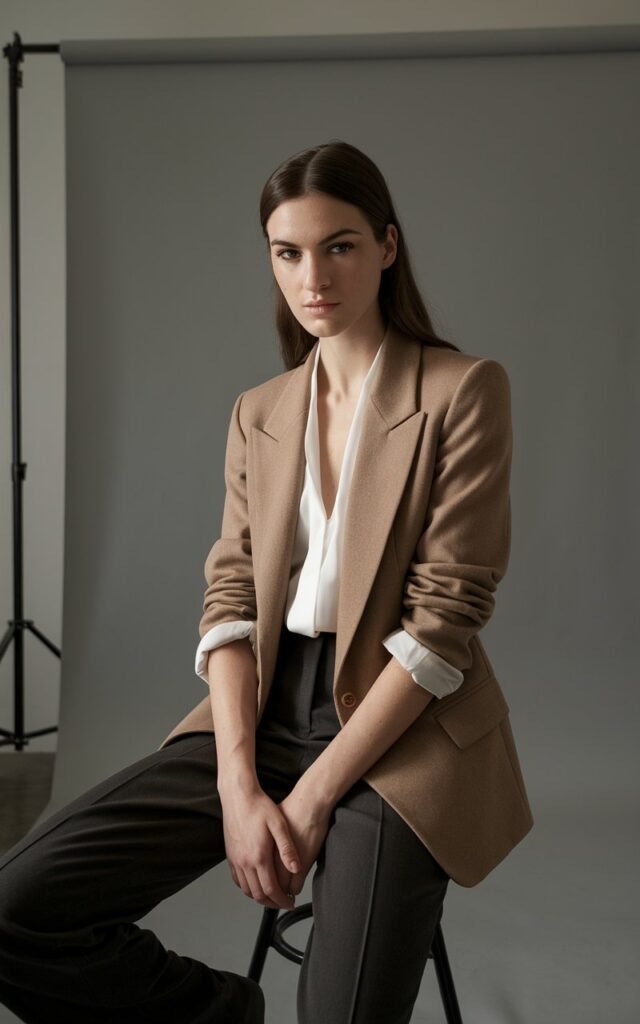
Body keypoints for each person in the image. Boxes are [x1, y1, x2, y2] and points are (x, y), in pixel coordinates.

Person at [0, 140, 534, 1024]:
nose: (312, 275)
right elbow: (232, 600)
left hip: (404, 726)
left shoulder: (462, 390)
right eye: (288, 252)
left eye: (340, 245)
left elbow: (444, 627)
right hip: (264, 707)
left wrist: (315, 794)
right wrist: (240, 791)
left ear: (388, 247)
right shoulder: (262, 410)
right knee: (15, 911)